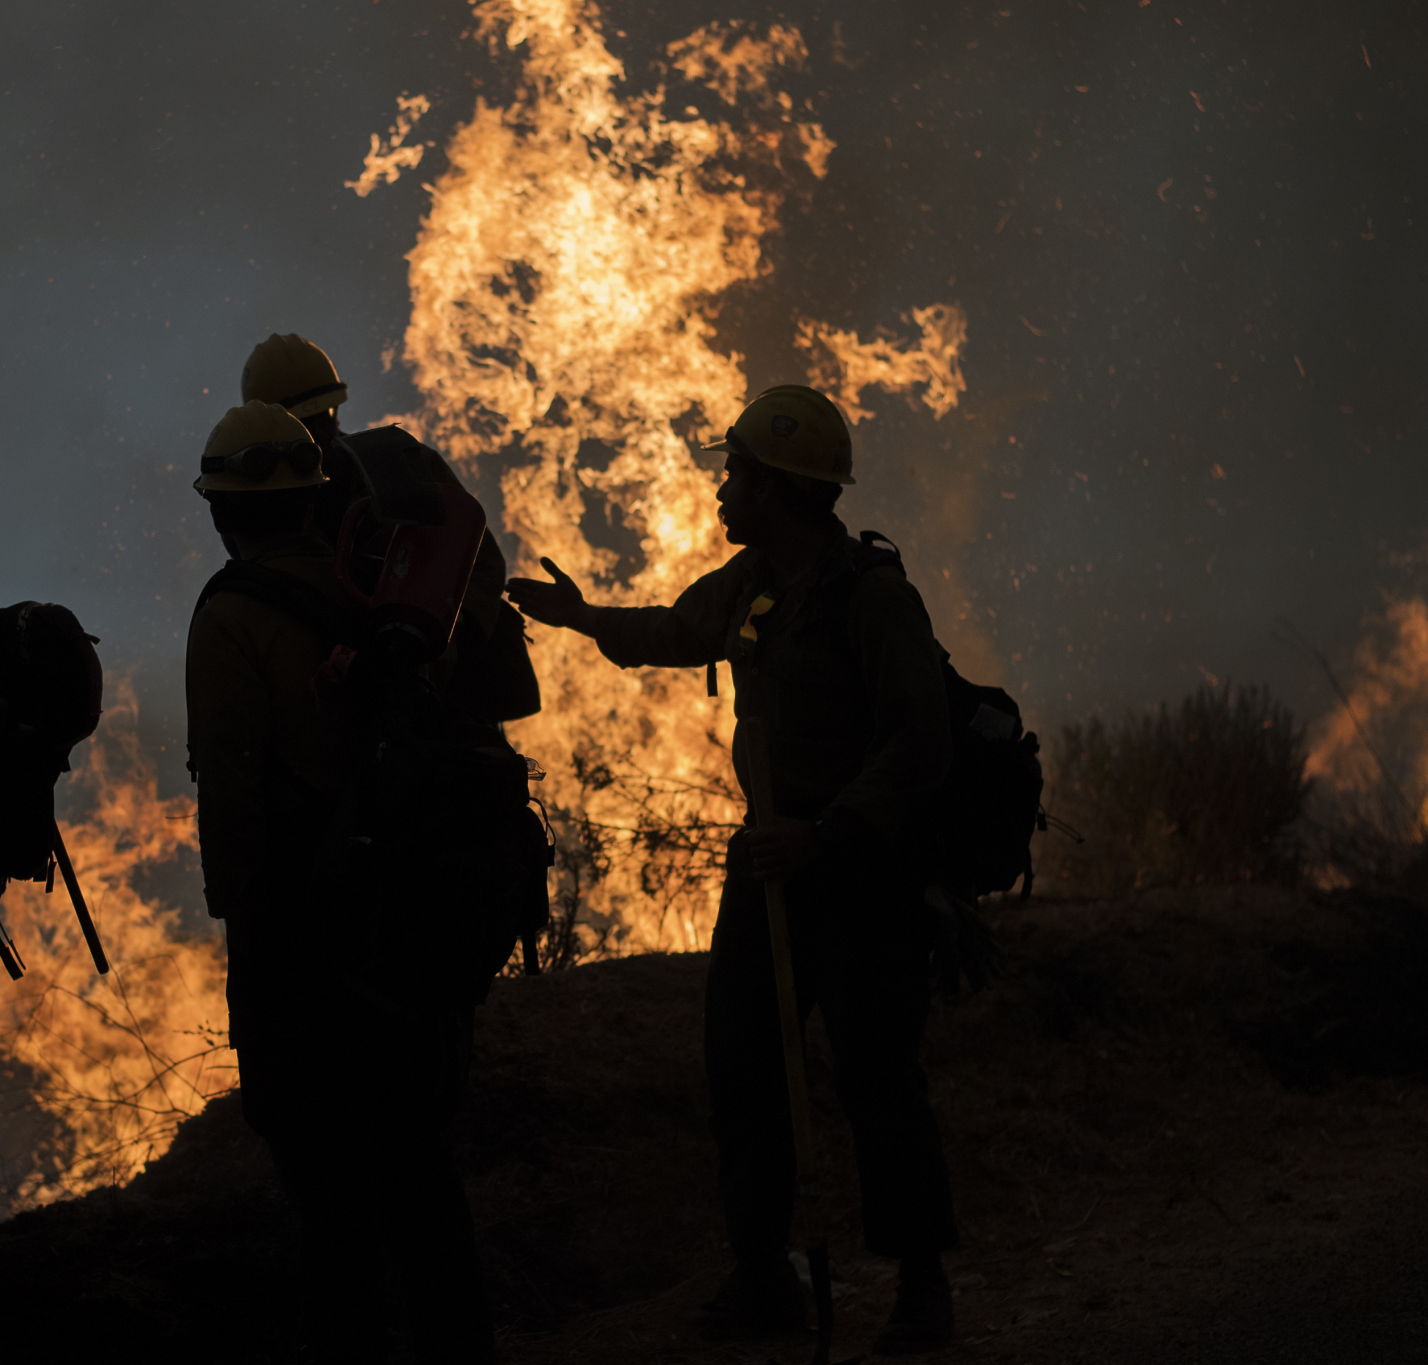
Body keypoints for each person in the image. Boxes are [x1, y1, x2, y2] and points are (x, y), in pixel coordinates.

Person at [505, 385, 960, 1354]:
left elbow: (921, 744)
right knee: (743, 1068)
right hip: (769, 876)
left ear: (778, 489)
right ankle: (763, 1274)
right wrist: (583, 620)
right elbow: (673, 632)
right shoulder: (751, 586)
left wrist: (825, 834)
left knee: (879, 1078)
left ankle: (921, 1288)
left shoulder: (872, 599)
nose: (720, 489)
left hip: (859, 876)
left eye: (735, 475)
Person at [184, 401, 494, 1364]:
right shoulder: (386, 595)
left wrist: (244, 919)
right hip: (404, 923)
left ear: (224, 509)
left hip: (300, 936)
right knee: (416, 1165)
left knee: (324, 1189)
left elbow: (233, 787)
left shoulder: (234, 613)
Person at [238, 332, 539, 726]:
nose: (321, 433)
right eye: (304, 425)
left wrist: (446, 641)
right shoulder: (254, 508)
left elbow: (479, 564)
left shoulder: (398, 468)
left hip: (438, 699)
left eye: (324, 415)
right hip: (336, 708)